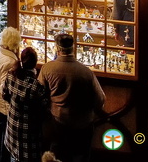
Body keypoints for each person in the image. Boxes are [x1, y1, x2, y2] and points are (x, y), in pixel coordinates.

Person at [37, 34, 105, 162]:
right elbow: (100, 100)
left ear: (58, 49)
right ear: (73, 49)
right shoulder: (86, 72)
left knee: (57, 155)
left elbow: (39, 95)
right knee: (80, 156)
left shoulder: (47, 68)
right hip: (82, 124)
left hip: (58, 122)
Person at [2, 47, 49, 162]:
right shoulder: (36, 86)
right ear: (35, 63)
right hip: (29, 136)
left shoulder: (11, 75)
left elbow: (4, 95)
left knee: (13, 158)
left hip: (12, 131)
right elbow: (44, 108)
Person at [0, 27, 21, 162]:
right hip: (6, 105)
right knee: (5, 135)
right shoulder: (9, 62)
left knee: (0, 127)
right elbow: (5, 87)